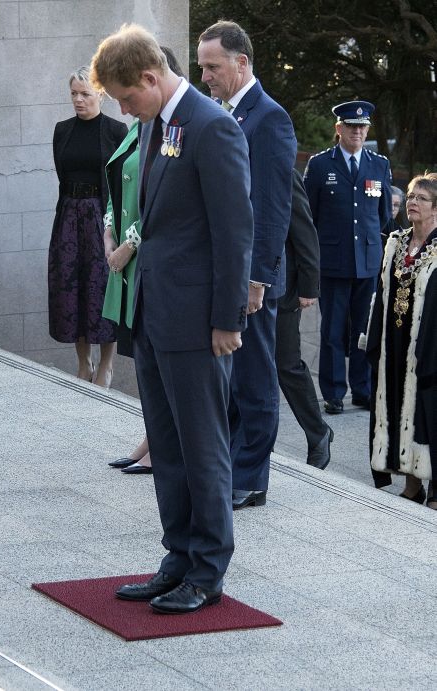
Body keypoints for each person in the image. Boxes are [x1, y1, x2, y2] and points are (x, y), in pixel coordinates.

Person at [91, 24, 253, 614]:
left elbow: (235, 232)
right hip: (155, 313)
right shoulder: (160, 124)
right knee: (166, 441)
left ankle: (208, 571)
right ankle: (177, 558)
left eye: (128, 98)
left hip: (199, 322)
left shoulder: (213, 128)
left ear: (151, 78)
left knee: (203, 445)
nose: (126, 111)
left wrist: (227, 318)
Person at [197, 21, 297, 510]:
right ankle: (236, 466)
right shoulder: (222, 113)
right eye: (201, 68)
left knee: (255, 380)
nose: (206, 77)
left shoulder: (269, 119)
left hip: (253, 279)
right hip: (224, 272)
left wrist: (258, 279)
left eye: (213, 67)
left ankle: (252, 476)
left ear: (242, 63)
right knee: (231, 380)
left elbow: (274, 209)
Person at [102, 46, 187, 477]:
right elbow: (118, 186)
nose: (123, 106)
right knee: (143, 360)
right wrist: (107, 230)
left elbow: (161, 204)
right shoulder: (141, 128)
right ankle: (149, 438)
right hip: (126, 264)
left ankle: (158, 444)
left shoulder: (172, 131)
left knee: (157, 361)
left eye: (128, 94)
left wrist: (127, 244)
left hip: (142, 258)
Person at [303, 100, 393, 414]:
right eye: (351, 126)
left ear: (367, 130)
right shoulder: (319, 165)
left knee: (363, 332)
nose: (357, 132)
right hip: (332, 263)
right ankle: (333, 392)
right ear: (339, 129)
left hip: (367, 263)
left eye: (362, 127)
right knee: (332, 331)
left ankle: (362, 390)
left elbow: (383, 217)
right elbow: (307, 217)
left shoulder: (378, 165)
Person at [48, 66, 128, 385]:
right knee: (72, 286)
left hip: (102, 214)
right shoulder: (61, 130)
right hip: (69, 215)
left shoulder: (116, 130)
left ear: (100, 94)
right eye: (74, 94)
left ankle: (106, 365)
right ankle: (84, 362)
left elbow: (122, 182)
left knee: (103, 288)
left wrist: (115, 224)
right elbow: (62, 174)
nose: (78, 100)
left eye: (85, 93)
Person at [365, 173, 437, 507]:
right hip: (395, 342)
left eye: (421, 198)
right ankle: (411, 483)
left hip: (429, 346)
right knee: (397, 406)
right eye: (410, 196)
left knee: (427, 413)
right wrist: (374, 341)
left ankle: (434, 486)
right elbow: (380, 295)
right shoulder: (396, 243)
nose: (412, 203)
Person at [277, 169, 334, 469]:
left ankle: (318, 433)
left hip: (282, 287)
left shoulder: (283, 172)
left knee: (286, 364)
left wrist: (309, 285)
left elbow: (304, 230)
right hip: (241, 285)